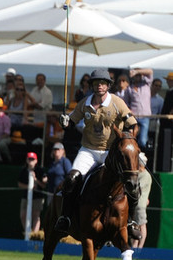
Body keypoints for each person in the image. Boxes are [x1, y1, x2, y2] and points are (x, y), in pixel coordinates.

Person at [56, 68, 139, 238]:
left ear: (108, 85)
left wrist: (126, 141)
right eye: (96, 83)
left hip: (111, 152)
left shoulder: (117, 102)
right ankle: (65, 218)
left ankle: (130, 220)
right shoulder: (84, 103)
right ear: (91, 85)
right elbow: (71, 122)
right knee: (72, 179)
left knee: (129, 182)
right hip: (88, 150)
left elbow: (132, 124)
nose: (99, 86)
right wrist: (65, 122)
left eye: (102, 83)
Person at [18, 152, 47, 234]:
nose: (31, 161)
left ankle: (34, 235)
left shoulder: (40, 170)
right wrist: (29, 187)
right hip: (26, 196)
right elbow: (19, 184)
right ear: (26, 160)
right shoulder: (23, 170)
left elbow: (44, 185)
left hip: (38, 197)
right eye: (29, 159)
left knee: (36, 216)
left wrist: (35, 180)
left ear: (36, 161)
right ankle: (28, 233)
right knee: (23, 215)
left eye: (32, 159)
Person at [124, 68, 153, 148]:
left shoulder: (147, 84)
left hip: (145, 117)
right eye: (136, 75)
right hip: (134, 117)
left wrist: (137, 71)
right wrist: (129, 110)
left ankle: (142, 155)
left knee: (143, 141)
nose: (137, 76)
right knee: (131, 138)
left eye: (139, 75)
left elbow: (150, 71)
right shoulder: (129, 89)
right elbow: (125, 103)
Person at [131, 153, 152, 249]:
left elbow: (137, 188)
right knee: (135, 225)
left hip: (140, 204)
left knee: (141, 224)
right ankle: (134, 245)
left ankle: (140, 247)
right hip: (135, 204)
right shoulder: (138, 174)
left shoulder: (145, 175)